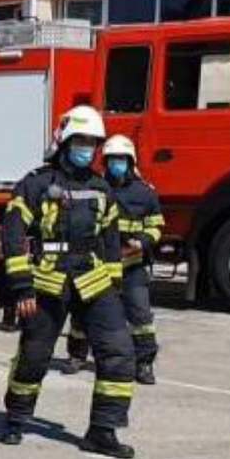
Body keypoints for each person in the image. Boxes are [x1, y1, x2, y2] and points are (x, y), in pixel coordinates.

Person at [0, 105, 137, 458]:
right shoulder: (37, 183)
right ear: (65, 141)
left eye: (93, 142)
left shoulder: (101, 187)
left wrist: (115, 286)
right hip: (48, 279)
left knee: (119, 353)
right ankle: (17, 417)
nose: (87, 148)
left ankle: (103, 430)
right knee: (34, 354)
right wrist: (21, 287)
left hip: (93, 278)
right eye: (81, 141)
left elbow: (109, 237)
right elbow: (13, 233)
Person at [63, 135, 165, 385]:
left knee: (140, 317)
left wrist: (142, 240)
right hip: (98, 265)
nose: (116, 165)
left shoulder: (145, 193)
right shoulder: (96, 188)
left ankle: (144, 364)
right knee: (81, 313)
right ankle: (76, 355)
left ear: (130, 162)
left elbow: (156, 226)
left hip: (133, 266)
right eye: (111, 160)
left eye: (121, 160)